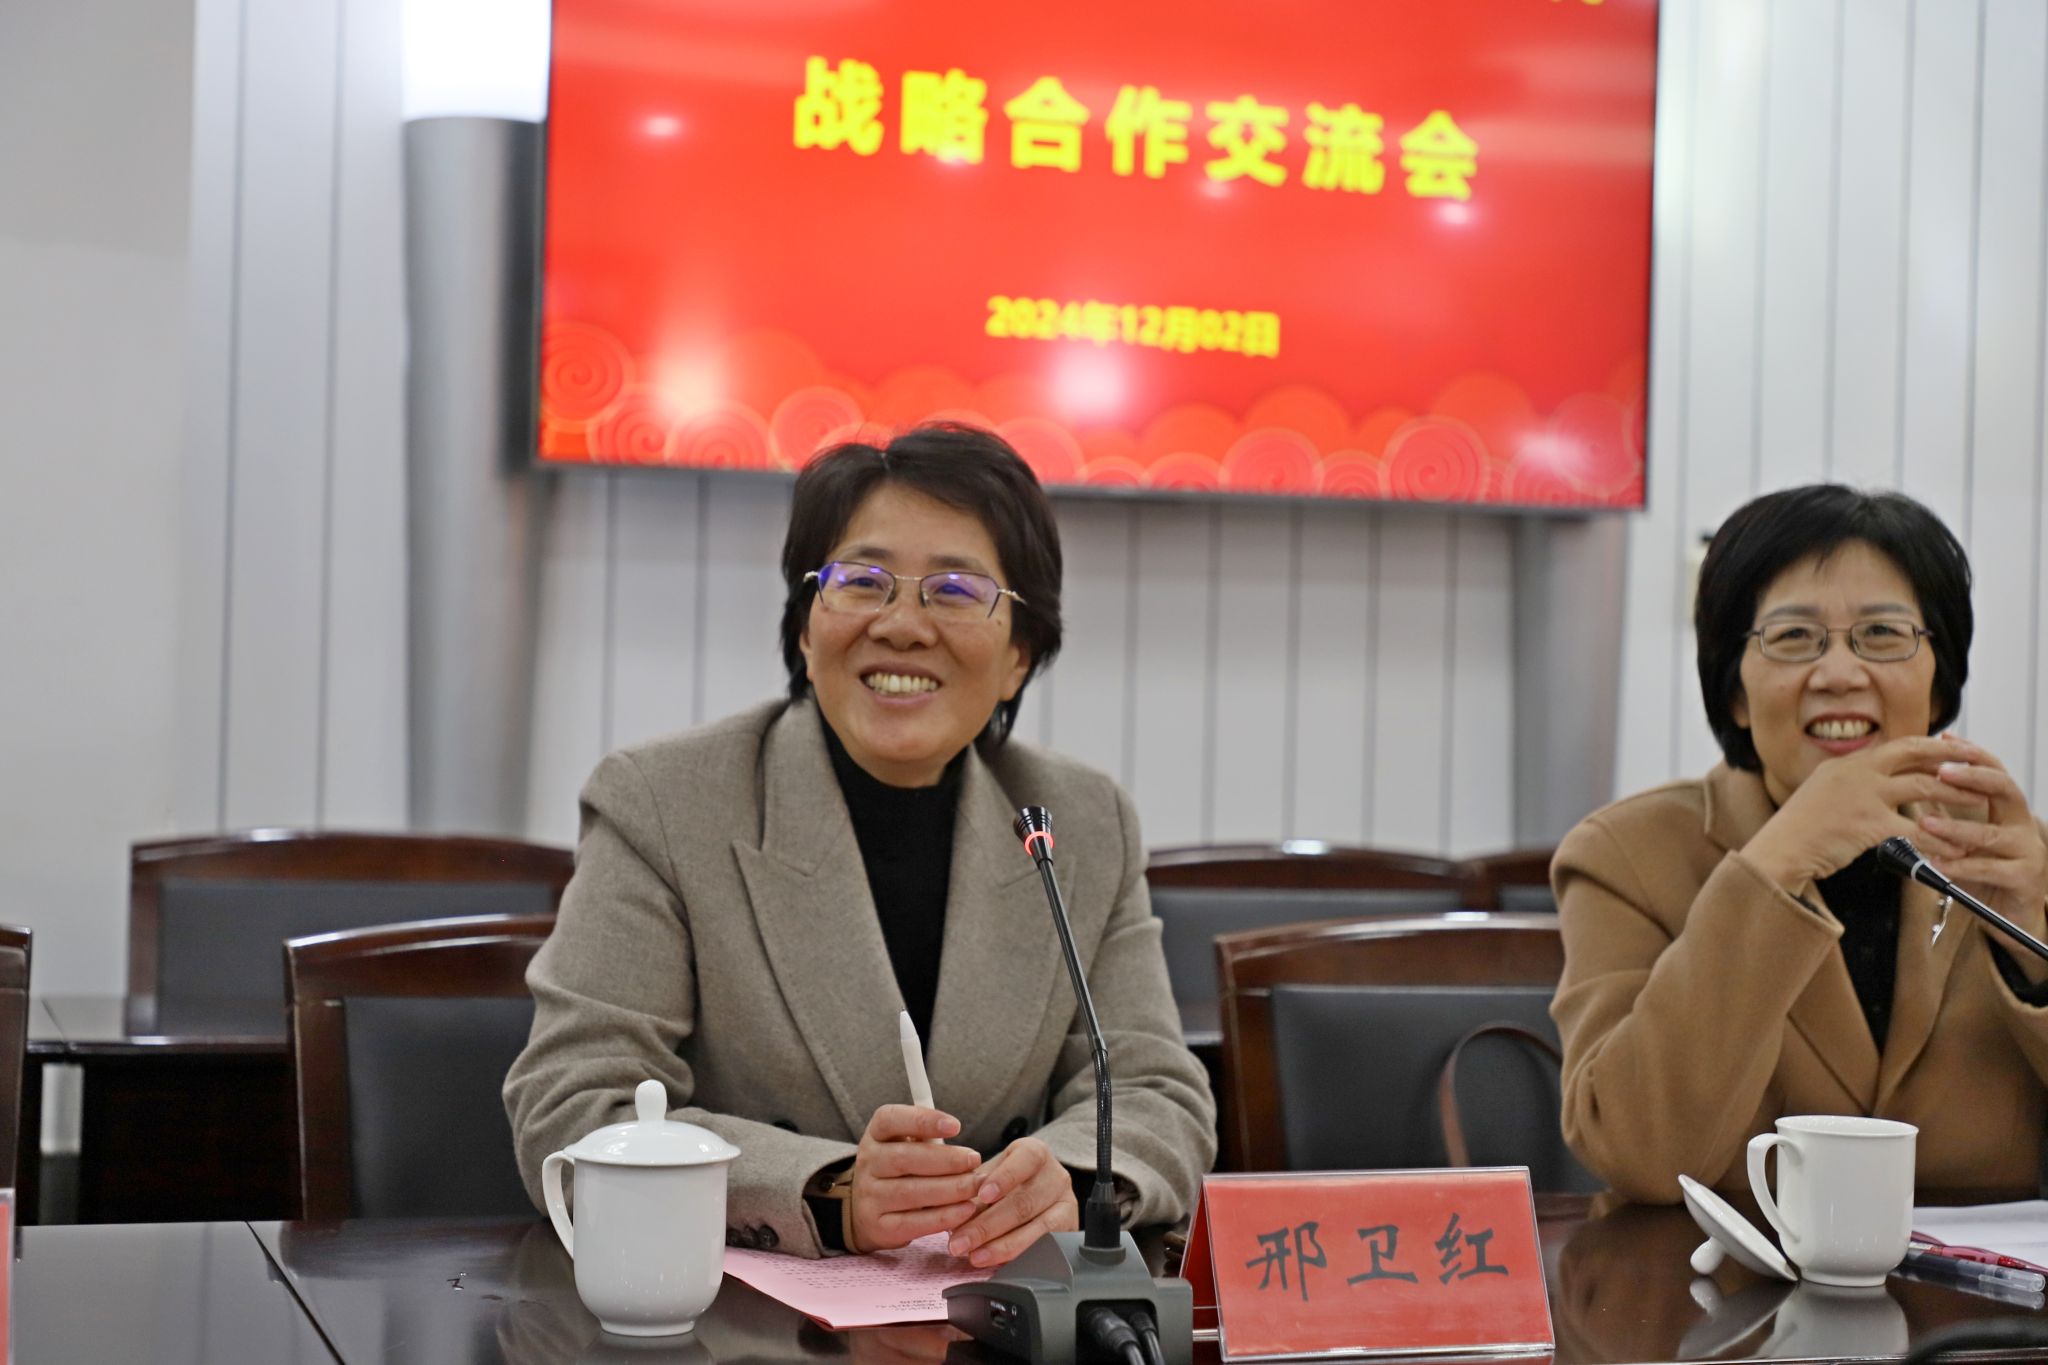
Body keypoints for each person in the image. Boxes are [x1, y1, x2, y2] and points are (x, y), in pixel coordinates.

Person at [504, 422, 1215, 1259]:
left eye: (955, 589)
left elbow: (1158, 1091)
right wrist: (828, 1189)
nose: (903, 625)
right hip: (740, 1315)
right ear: (807, 629)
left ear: (1019, 655)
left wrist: (1066, 1179)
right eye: (863, 581)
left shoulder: (1078, 820)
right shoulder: (666, 802)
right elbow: (573, 1105)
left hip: (996, 1302)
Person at [1552, 484, 2048, 1201]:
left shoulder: (2010, 851)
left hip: (1981, 1275)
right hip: (1718, 1272)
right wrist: (1773, 866)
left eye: (1882, 634)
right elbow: (1639, 1154)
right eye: (1793, 638)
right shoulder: (1625, 856)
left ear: (1938, 687)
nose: (1839, 673)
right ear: (1735, 693)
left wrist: (2031, 945)